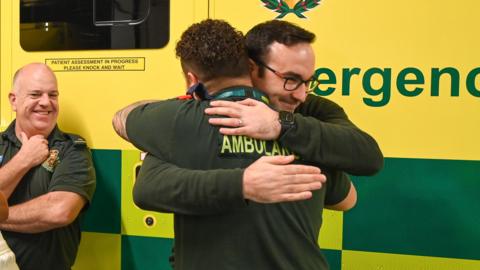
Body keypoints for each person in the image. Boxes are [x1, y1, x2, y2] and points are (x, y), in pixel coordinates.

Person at [113, 19, 374, 269]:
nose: (301, 94)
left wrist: (280, 124)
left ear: (193, 80)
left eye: (307, 82)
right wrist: (244, 184)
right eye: (290, 79)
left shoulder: (308, 116)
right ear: (251, 68)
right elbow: (347, 199)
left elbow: (124, 126)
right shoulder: (314, 133)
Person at [0, 63, 96, 270]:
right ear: (13, 100)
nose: (46, 102)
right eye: (36, 94)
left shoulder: (73, 149)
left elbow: (59, 210)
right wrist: (23, 160)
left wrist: (2, 215)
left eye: (53, 95)